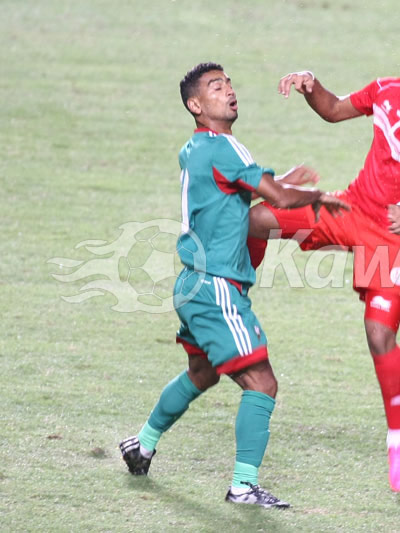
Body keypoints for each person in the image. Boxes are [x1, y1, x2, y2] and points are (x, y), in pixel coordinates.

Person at [246, 17, 400, 492]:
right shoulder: (386, 91)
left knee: (378, 333)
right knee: (259, 219)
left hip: (393, 235)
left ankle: (397, 439)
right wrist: (311, 86)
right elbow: (333, 109)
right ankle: (237, 287)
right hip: (350, 208)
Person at [119, 62, 349, 509]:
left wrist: (282, 183)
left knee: (202, 374)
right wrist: (316, 196)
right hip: (217, 287)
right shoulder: (224, 147)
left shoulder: (198, 149)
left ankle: (142, 444)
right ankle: (243, 486)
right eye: (215, 87)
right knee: (262, 383)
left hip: (192, 285)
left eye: (229, 84)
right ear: (195, 104)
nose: (229, 91)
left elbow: (237, 195)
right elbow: (276, 200)